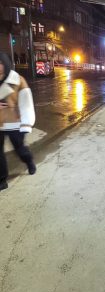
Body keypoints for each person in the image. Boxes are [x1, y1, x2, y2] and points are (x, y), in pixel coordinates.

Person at [0, 52, 36, 191]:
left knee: (20, 149)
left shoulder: (18, 80)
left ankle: (29, 161)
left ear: (6, 63)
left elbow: (26, 102)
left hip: (14, 122)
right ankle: (2, 179)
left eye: (1, 63)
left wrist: (26, 123)